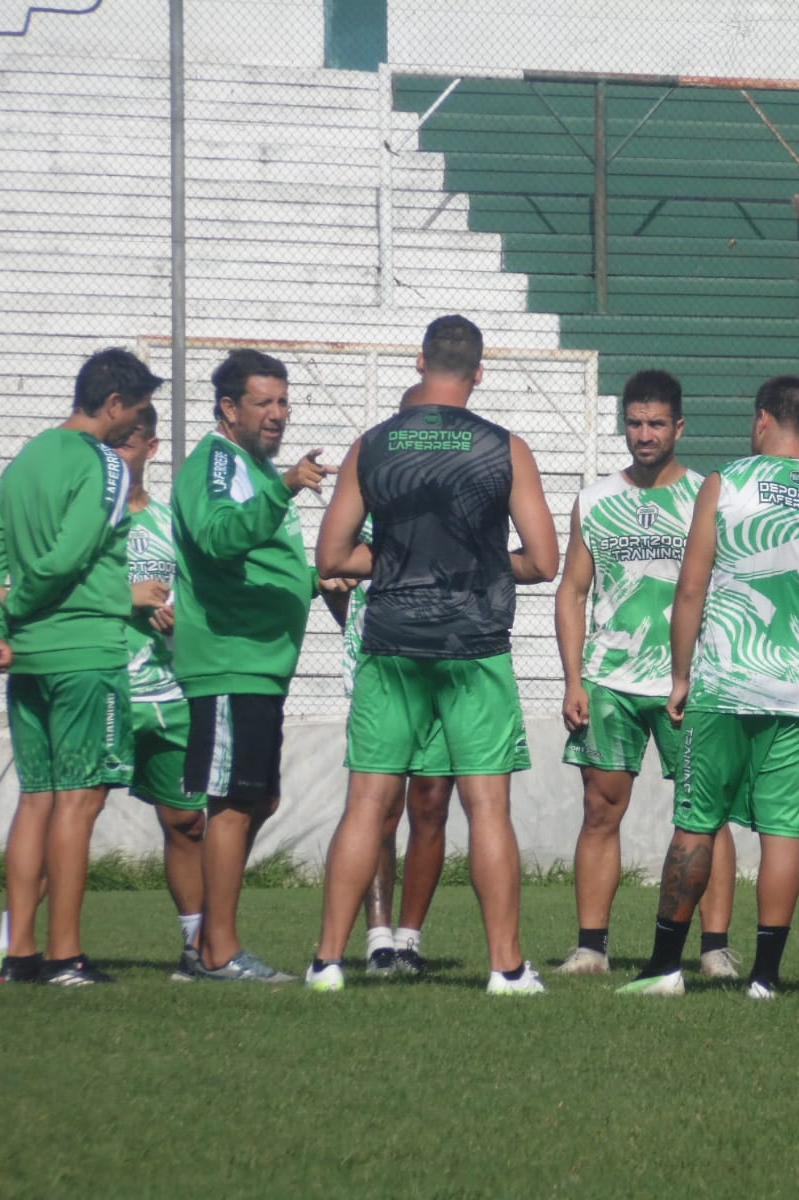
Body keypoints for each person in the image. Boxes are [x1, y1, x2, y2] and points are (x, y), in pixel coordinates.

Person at [307, 315, 559, 995]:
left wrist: (389, 560)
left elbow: (330, 556)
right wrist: (479, 562)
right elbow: (542, 561)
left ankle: (328, 962)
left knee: (366, 803)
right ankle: (506, 966)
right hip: (473, 645)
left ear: (420, 362)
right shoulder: (506, 447)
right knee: (487, 808)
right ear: (479, 372)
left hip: (390, 640)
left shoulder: (373, 445)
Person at [619, 375, 799, 1000]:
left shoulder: (726, 482)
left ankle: (665, 967)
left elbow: (691, 587)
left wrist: (678, 676)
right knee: (783, 832)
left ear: (762, 419)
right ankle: (766, 978)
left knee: (697, 821)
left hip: (725, 681)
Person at [0, 347, 159, 986]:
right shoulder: (101, 464)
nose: (131, 424)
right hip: (84, 655)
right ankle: (65, 955)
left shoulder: (26, 458)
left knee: (37, 801)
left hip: (29, 659)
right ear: (113, 405)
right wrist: (22, 604)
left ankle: (18, 951)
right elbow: (68, 557)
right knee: (79, 804)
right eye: (133, 411)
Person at [555, 370, 737, 977]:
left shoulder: (709, 496)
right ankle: (590, 948)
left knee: (705, 817)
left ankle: (715, 950)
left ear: (679, 427)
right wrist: (573, 679)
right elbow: (572, 592)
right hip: (610, 681)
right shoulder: (596, 499)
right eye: (634, 422)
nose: (644, 433)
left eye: (657, 422)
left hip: (693, 682)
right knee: (600, 812)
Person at [173, 348, 338, 983]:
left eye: (283, 401)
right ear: (228, 408)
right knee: (234, 803)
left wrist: (312, 580)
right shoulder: (219, 465)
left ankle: (210, 945)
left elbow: (256, 559)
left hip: (259, 663)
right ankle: (215, 951)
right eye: (263, 403)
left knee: (258, 798)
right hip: (228, 660)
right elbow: (217, 537)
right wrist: (285, 486)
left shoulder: (248, 467)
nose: (277, 414)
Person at [111, 404, 208, 979]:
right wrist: (129, 598)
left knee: (187, 822)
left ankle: (195, 948)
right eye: (112, 443)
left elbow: (199, 596)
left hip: (169, 691)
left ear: (151, 449)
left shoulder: (172, 523)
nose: (119, 454)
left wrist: (181, 614)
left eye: (130, 444)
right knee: (67, 810)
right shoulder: (86, 523)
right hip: (105, 687)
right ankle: (18, 941)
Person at [337, 507, 453, 979]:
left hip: (448, 661)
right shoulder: (372, 485)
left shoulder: (467, 489)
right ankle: (377, 939)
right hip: (380, 666)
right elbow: (333, 571)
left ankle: (409, 940)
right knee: (380, 808)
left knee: (430, 804)